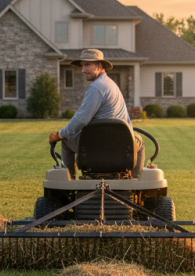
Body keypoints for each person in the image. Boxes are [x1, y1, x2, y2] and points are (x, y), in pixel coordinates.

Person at [48, 48, 144, 178]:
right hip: (119, 146)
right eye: (82, 66)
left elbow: (81, 120)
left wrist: (60, 135)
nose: (83, 70)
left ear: (99, 66)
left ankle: (70, 182)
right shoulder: (112, 85)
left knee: (66, 140)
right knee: (139, 140)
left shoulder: (96, 88)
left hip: (95, 147)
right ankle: (134, 180)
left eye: (87, 65)